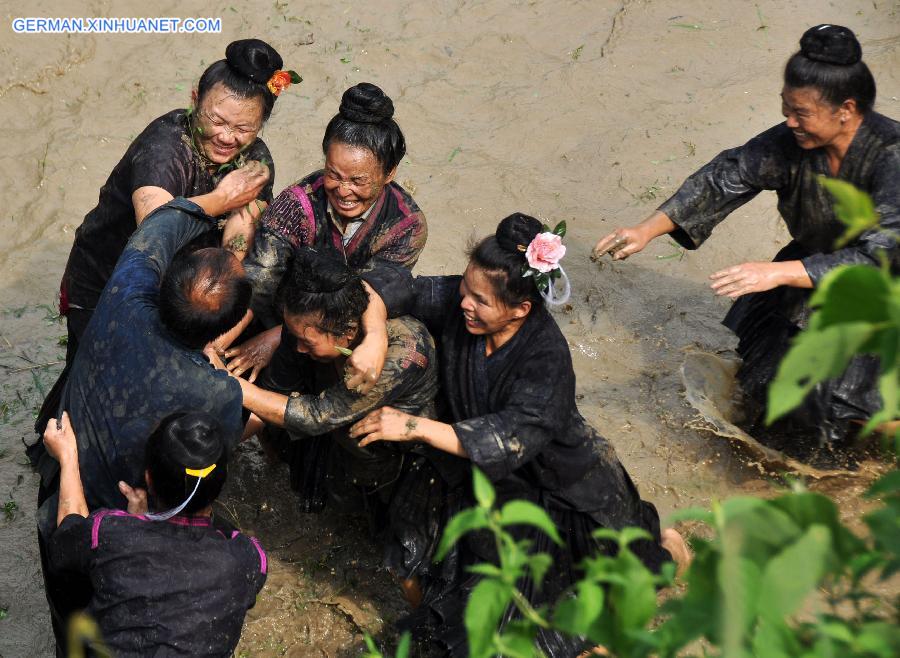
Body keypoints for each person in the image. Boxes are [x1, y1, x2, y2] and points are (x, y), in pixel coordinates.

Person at [351, 213, 689, 656]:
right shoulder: (464, 307)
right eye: (465, 290)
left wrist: (411, 425)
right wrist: (375, 335)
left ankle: (673, 554)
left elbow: (505, 439)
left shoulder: (546, 360)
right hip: (491, 478)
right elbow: (386, 287)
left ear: (520, 309)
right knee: (433, 570)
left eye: (480, 300)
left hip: (565, 490)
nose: (464, 303)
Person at [594, 24, 899, 446]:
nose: (789, 121)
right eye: (785, 108)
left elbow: (880, 257)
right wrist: (647, 229)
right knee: (764, 387)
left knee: (848, 407)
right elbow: (728, 175)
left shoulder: (891, 158)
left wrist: (778, 273)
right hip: (809, 274)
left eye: (802, 113)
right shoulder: (792, 141)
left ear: (845, 109)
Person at [29, 198, 253, 652]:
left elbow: (160, 224)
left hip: (62, 499)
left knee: (69, 618)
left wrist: (218, 198)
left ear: (164, 283)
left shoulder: (124, 297)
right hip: (129, 529)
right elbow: (214, 458)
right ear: (228, 328)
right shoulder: (218, 394)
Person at [217, 248, 449, 595]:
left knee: (409, 563)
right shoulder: (303, 336)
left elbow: (316, 415)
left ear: (348, 332)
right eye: (293, 336)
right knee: (352, 521)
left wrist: (226, 381)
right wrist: (216, 448)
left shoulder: (401, 351)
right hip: (348, 450)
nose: (297, 348)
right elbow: (273, 393)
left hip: (407, 466)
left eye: (307, 342)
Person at [59, 38, 296, 360]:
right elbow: (155, 233)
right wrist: (222, 198)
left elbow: (237, 244)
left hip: (187, 290)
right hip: (110, 282)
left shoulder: (256, 159)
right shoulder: (164, 150)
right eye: (216, 121)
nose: (227, 137)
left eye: (244, 127)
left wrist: (216, 320)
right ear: (195, 100)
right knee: (95, 370)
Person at [220, 82, 427, 394]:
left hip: (340, 333)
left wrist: (277, 338)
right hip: (285, 314)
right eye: (334, 174)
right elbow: (260, 282)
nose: (343, 191)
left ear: (390, 172)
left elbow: (368, 298)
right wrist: (214, 345)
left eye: (358, 181)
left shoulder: (407, 225)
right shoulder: (295, 205)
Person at [42, 410, 266, 657]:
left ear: (148, 478)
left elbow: (65, 541)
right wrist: (141, 522)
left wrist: (67, 456)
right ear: (219, 484)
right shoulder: (249, 558)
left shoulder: (109, 534)